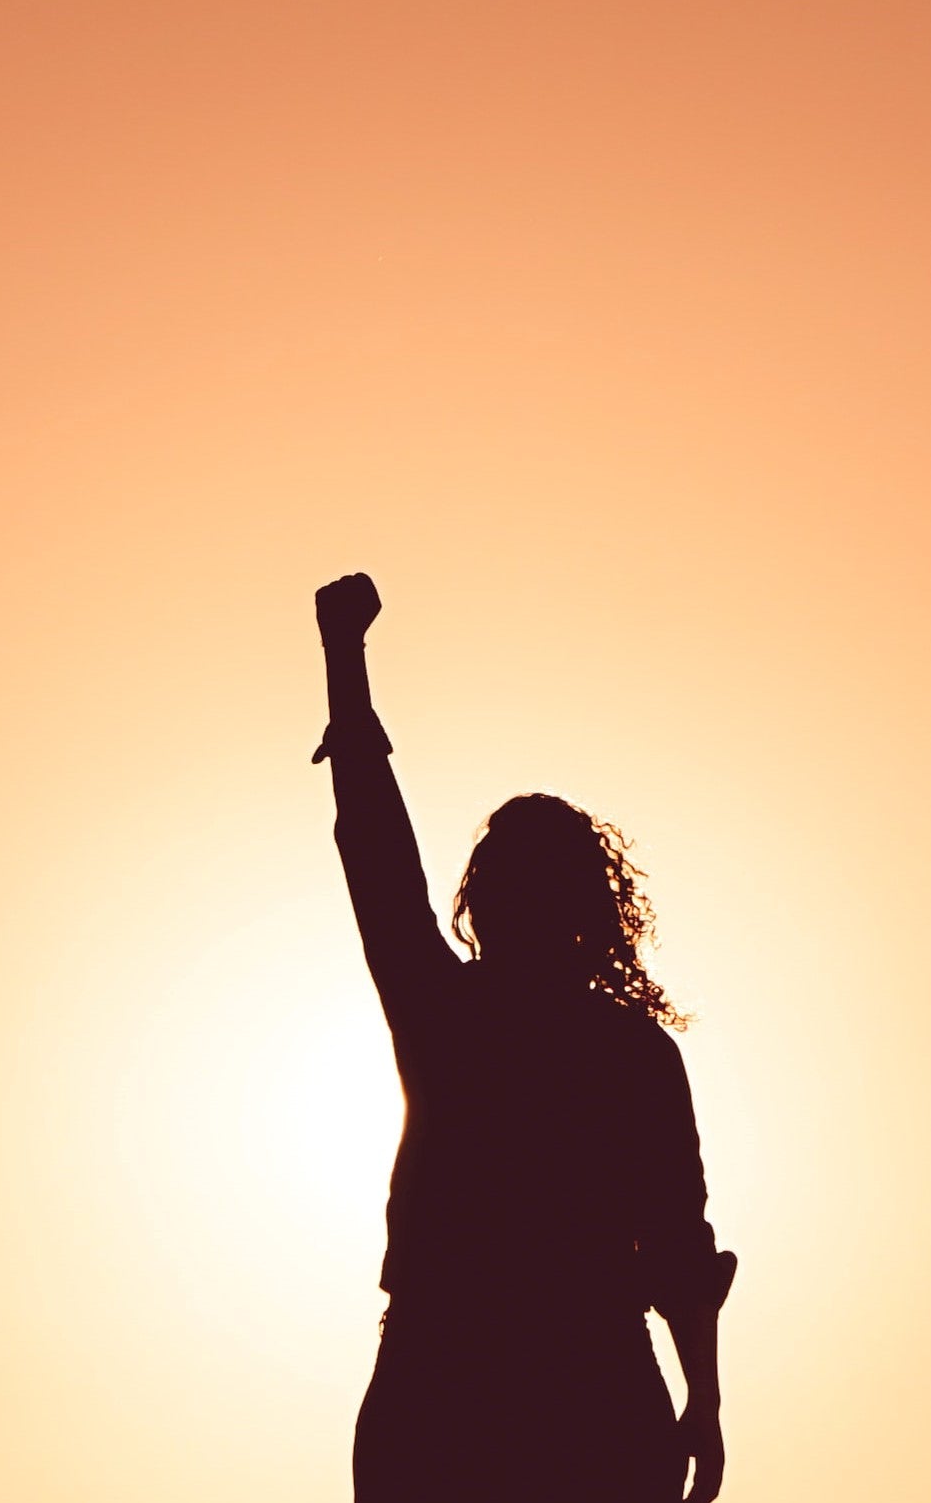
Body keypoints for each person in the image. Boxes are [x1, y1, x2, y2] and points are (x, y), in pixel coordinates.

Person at [312, 572, 737, 1503]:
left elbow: (675, 1242)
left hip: (492, 1386)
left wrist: (345, 662)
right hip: (533, 1384)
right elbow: (375, 851)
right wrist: (702, 1398)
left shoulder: (459, 1017)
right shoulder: (614, 1049)